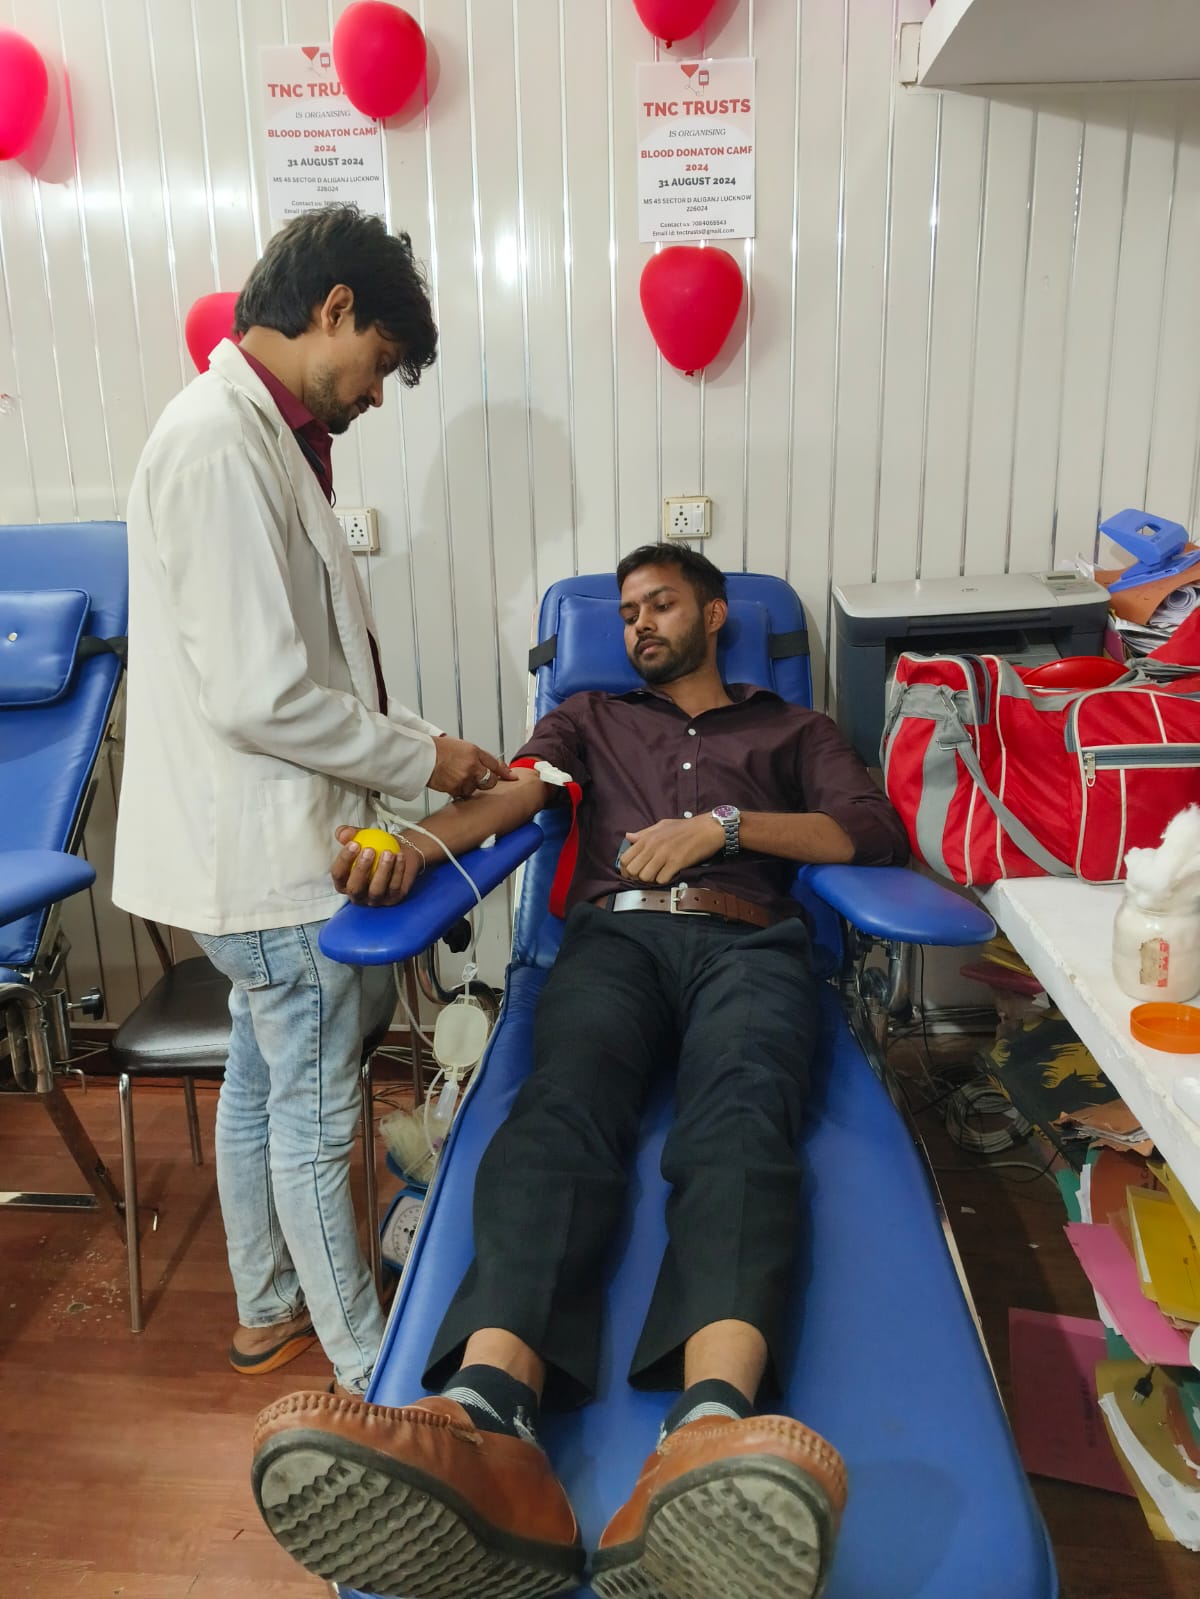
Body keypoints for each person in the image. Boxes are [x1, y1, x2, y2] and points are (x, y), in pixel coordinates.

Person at [250, 543, 909, 1599]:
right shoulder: (590, 721)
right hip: (613, 945)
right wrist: (409, 849)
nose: (641, 624)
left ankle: (705, 1435)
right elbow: (513, 798)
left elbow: (864, 835)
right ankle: (488, 1421)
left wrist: (724, 828)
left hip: (750, 942)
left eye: (661, 605)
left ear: (717, 614)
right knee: (560, 1114)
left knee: (740, 1124)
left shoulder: (795, 730)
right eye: (629, 612)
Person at [112, 204, 511, 1400]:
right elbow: (262, 693)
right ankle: (363, 1359)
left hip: (253, 848)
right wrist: (427, 758)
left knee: (261, 1078)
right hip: (267, 857)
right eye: (381, 362)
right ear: (333, 309)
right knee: (317, 1105)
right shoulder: (219, 443)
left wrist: (412, 758)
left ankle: (268, 1310)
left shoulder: (253, 436)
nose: (379, 394)